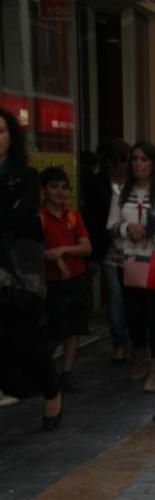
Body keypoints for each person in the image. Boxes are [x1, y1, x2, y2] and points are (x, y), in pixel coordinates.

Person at [0, 106, 63, 427]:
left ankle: (52, 393)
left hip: (18, 273)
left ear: (12, 137)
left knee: (25, 337)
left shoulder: (25, 177)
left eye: (0, 131)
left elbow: (20, 217)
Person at [106, 141, 155, 393]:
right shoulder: (120, 192)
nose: (139, 163)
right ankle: (140, 353)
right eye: (135, 159)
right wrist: (128, 228)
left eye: (144, 159)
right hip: (130, 261)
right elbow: (112, 226)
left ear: (153, 163)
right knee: (134, 314)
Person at [39, 167, 92, 392]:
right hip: (52, 281)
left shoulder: (72, 215)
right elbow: (38, 250)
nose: (59, 192)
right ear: (44, 190)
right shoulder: (38, 217)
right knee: (54, 329)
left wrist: (63, 250)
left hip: (77, 277)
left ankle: (67, 372)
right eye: (53, 187)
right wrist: (54, 256)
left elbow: (87, 247)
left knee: (75, 327)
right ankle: (44, 368)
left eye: (63, 187)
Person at [83, 139, 130, 363]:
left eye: (126, 159)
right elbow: (91, 218)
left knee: (134, 298)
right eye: (119, 160)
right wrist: (92, 254)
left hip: (134, 249)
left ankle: (136, 341)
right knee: (115, 297)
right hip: (108, 249)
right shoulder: (97, 183)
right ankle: (119, 343)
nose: (123, 164)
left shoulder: (137, 183)